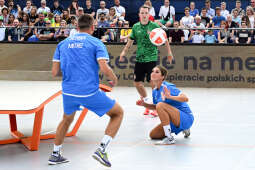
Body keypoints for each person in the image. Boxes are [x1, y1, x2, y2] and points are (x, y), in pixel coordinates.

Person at [48, 14, 123, 167]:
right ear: (93, 27)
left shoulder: (62, 44)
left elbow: (55, 72)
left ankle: (55, 154)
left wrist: (71, 72)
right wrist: (114, 78)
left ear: (76, 27)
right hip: (88, 91)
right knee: (118, 113)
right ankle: (102, 149)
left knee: (66, 119)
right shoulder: (96, 43)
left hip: (68, 91)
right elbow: (103, 66)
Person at [119, 5, 173, 116]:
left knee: (152, 83)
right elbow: (130, 41)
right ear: (139, 14)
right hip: (139, 58)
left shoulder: (154, 26)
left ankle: (155, 107)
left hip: (151, 58)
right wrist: (124, 52)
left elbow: (165, 39)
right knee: (137, 83)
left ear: (149, 15)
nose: (144, 15)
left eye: (146, 13)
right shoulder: (135, 27)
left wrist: (169, 53)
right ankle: (147, 102)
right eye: (142, 13)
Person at [136, 65, 194, 144]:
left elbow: (185, 98)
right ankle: (183, 129)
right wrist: (144, 104)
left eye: (157, 72)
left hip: (186, 117)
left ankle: (170, 138)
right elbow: (157, 107)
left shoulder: (167, 87)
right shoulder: (155, 91)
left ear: (162, 77)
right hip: (172, 121)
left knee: (160, 105)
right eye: (152, 71)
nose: (153, 73)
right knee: (153, 135)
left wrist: (170, 97)